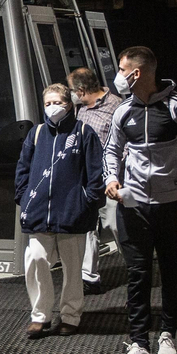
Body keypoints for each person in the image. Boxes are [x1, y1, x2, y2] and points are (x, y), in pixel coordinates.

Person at [102, 47, 177, 354]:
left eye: (122, 69)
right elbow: (111, 149)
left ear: (137, 73)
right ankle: (139, 345)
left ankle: (168, 336)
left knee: (171, 270)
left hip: (173, 206)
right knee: (137, 274)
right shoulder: (123, 111)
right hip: (134, 207)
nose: (117, 75)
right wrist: (111, 178)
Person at [14, 84, 104, 338]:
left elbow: (95, 172)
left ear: (70, 105)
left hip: (72, 214)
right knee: (36, 261)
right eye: (48, 103)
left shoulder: (84, 132)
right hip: (39, 213)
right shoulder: (36, 133)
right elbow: (23, 168)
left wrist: (86, 201)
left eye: (58, 102)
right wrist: (24, 198)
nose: (53, 107)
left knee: (73, 269)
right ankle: (40, 316)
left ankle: (70, 316)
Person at [68, 66, 121, 294]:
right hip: (87, 179)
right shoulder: (81, 109)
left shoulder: (116, 106)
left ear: (81, 90)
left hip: (110, 178)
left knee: (116, 225)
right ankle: (89, 278)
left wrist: (116, 175)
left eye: (71, 90)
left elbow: (123, 145)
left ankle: (138, 269)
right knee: (89, 228)